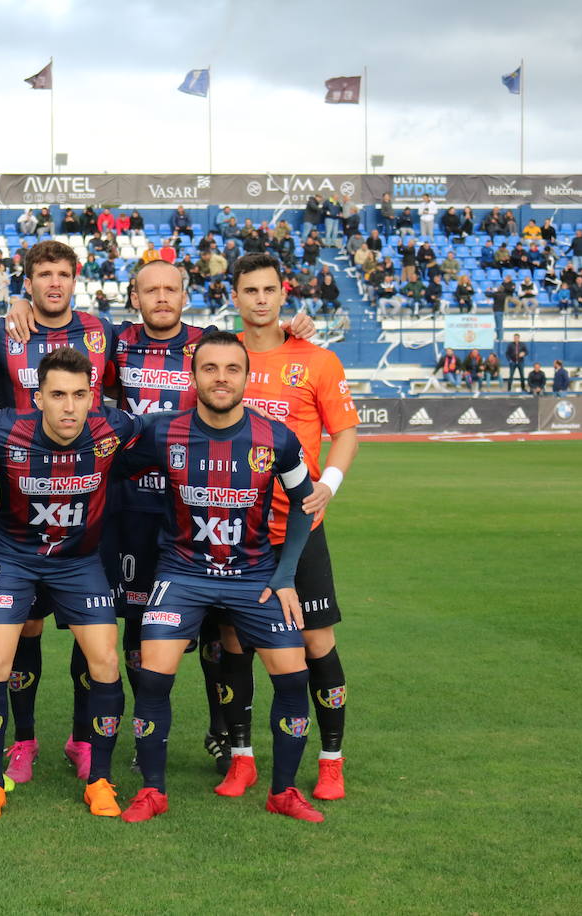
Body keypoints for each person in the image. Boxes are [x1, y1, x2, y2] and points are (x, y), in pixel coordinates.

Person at [118, 329, 322, 824]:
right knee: (152, 678)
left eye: (232, 369)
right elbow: (110, 471)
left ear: (246, 377)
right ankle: (152, 791)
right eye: (210, 368)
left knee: (294, 681)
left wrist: (288, 573)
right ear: (194, 376)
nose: (221, 378)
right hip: (182, 572)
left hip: (253, 576)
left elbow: (303, 502)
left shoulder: (276, 437)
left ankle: (283, 792)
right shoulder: (162, 432)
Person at [0, 347, 141, 822]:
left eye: (80, 395)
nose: (69, 406)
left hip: (78, 561)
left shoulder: (115, 428)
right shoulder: (1, 429)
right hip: (12, 556)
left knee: (105, 660)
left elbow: (162, 434)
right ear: (37, 398)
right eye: (58, 395)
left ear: (93, 397)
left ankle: (100, 780)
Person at [218, 252, 360, 805]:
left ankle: (330, 761)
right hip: (231, 527)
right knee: (233, 642)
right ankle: (241, 760)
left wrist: (328, 482)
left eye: (268, 290)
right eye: (249, 290)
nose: (259, 299)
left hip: (298, 525)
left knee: (316, 641)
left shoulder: (317, 360)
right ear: (235, 297)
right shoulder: (219, 357)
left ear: (283, 294)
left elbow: (345, 431)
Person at [0, 239, 118, 784]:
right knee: (25, 631)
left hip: (87, 498)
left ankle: (84, 739)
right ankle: (23, 740)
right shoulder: (2, 331)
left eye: (63, 273)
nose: (54, 283)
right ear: (28, 281)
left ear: (75, 278)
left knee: (94, 636)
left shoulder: (103, 329)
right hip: (22, 490)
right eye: (44, 275)